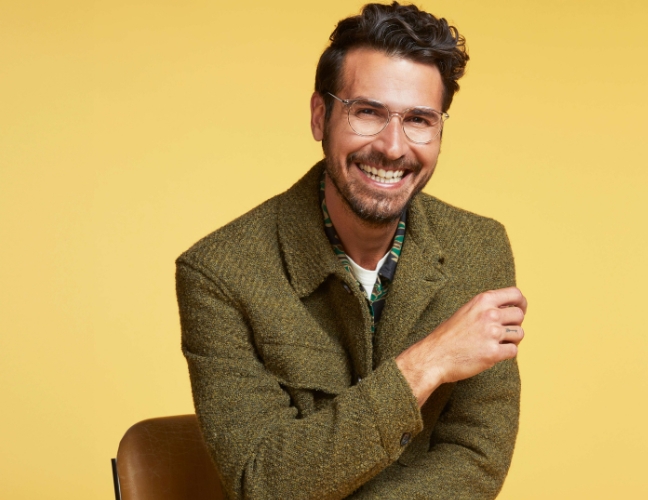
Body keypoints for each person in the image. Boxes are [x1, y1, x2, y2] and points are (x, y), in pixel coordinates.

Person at [175, 3, 526, 499]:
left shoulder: (480, 249)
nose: (393, 146)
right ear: (321, 116)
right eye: (368, 112)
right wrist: (426, 364)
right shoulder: (217, 274)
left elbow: (477, 457)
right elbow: (263, 482)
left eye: (420, 120)